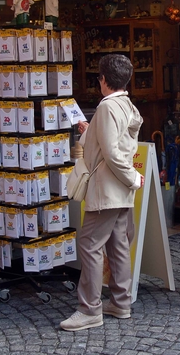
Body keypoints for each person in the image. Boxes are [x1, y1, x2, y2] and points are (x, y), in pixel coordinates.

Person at [60, 54, 144, 331]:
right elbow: (115, 142)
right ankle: (121, 302)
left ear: (103, 80)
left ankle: (89, 309)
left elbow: (109, 152)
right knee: (117, 244)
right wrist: (90, 129)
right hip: (118, 190)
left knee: (90, 245)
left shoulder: (107, 108)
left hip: (106, 189)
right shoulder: (125, 104)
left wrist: (132, 177)